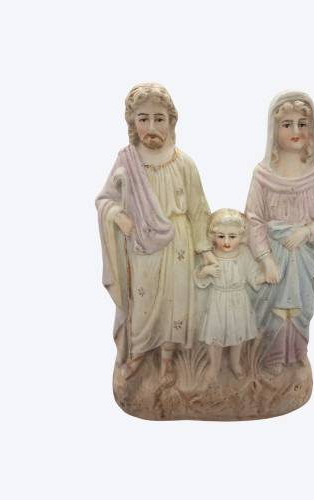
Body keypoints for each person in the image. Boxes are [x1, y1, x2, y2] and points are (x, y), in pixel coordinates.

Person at [96, 83, 216, 384]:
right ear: (132, 123)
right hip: (142, 245)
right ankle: (137, 355)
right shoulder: (127, 162)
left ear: (171, 121)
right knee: (143, 303)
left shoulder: (183, 163)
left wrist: (205, 250)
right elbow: (104, 199)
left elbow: (198, 209)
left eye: (159, 119)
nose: (151, 127)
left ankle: (166, 362)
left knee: (175, 303)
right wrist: (118, 215)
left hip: (178, 243)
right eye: (144, 118)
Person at [245, 91, 314, 375]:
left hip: (303, 258)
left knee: (300, 308)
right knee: (271, 308)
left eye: (302, 123)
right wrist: (265, 259)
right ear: (274, 129)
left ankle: (296, 356)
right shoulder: (262, 173)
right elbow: (253, 219)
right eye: (287, 124)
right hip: (274, 257)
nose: (295, 131)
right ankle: (271, 357)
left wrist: (306, 232)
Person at [194, 209, 265, 384]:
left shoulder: (244, 253)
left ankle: (235, 364)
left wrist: (264, 277)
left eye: (232, 237)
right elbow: (198, 277)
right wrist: (205, 271)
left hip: (238, 300)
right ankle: (214, 366)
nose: (226, 241)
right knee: (215, 336)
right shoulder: (211, 254)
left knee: (237, 335)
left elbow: (253, 275)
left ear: (241, 236)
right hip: (218, 301)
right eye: (221, 236)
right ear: (213, 236)